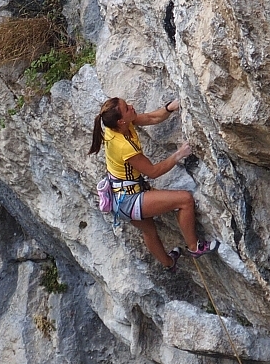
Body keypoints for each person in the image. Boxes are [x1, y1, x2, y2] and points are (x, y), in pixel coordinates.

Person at [89, 96, 219, 270]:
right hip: (129, 199)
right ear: (121, 121)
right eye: (126, 108)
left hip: (119, 198)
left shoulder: (118, 126)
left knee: (149, 230)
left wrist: (169, 108)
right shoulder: (123, 146)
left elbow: (151, 118)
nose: (131, 106)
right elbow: (153, 171)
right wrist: (179, 154)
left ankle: (169, 263)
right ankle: (195, 247)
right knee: (185, 200)